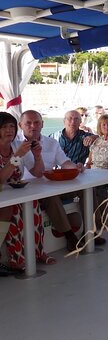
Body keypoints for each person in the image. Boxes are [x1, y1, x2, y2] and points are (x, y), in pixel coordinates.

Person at [15, 110, 86, 252]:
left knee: (86, 189)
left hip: (53, 184)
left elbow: (64, 162)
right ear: (20, 125)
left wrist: (76, 167)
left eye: (36, 122)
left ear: (42, 124)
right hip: (31, 190)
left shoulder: (52, 143)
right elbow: (36, 173)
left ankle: (93, 230)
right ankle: (69, 235)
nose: (33, 126)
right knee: (50, 196)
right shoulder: (16, 144)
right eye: (28, 123)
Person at [1, 112, 55, 274]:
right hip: (4, 195)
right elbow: (1, 179)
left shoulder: (18, 145)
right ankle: (16, 260)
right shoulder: (18, 150)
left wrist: (37, 156)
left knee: (33, 205)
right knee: (15, 212)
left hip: (16, 192)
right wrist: (17, 156)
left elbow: (38, 173)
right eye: (4, 127)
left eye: (11, 126)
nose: (9, 130)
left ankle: (38, 253)